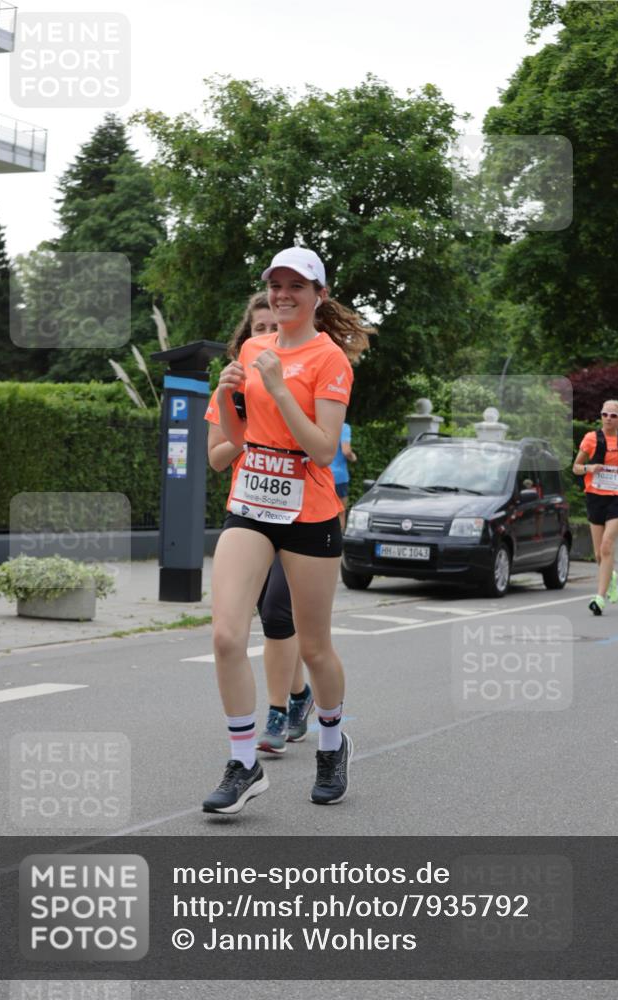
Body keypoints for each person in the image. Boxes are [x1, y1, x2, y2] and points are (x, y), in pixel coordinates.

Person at [202, 246, 372, 814]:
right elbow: (235, 441)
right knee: (227, 636)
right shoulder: (253, 349)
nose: (282, 295)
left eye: (296, 286)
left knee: (315, 647)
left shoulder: (331, 360)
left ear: (319, 295)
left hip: (309, 514)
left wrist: (277, 387)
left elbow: (323, 450)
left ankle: (332, 743)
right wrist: (225, 395)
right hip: (250, 502)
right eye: (276, 285)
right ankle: (243, 763)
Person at [205, 293, 314, 754]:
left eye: (275, 327)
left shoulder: (304, 378)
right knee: (263, 619)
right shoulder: (232, 387)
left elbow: (322, 445)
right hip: (250, 517)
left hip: (302, 518)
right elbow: (215, 458)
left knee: (277, 613)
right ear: (246, 338)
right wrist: (247, 432)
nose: (268, 335)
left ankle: (278, 711)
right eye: (259, 328)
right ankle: (299, 694)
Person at [572, 400, 618, 616]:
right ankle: (611, 578)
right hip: (595, 497)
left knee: (607, 545)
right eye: (605, 414)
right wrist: (589, 467)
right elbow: (576, 467)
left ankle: (599, 598)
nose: (608, 418)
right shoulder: (591, 438)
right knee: (599, 553)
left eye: (613, 415)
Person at [331, 422, 357, 531]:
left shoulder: (319, 424)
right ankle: (337, 540)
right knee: (340, 512)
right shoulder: (344, 427)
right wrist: (353, 457)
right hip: (339, 477)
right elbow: (346, 451)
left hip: (321, 475)